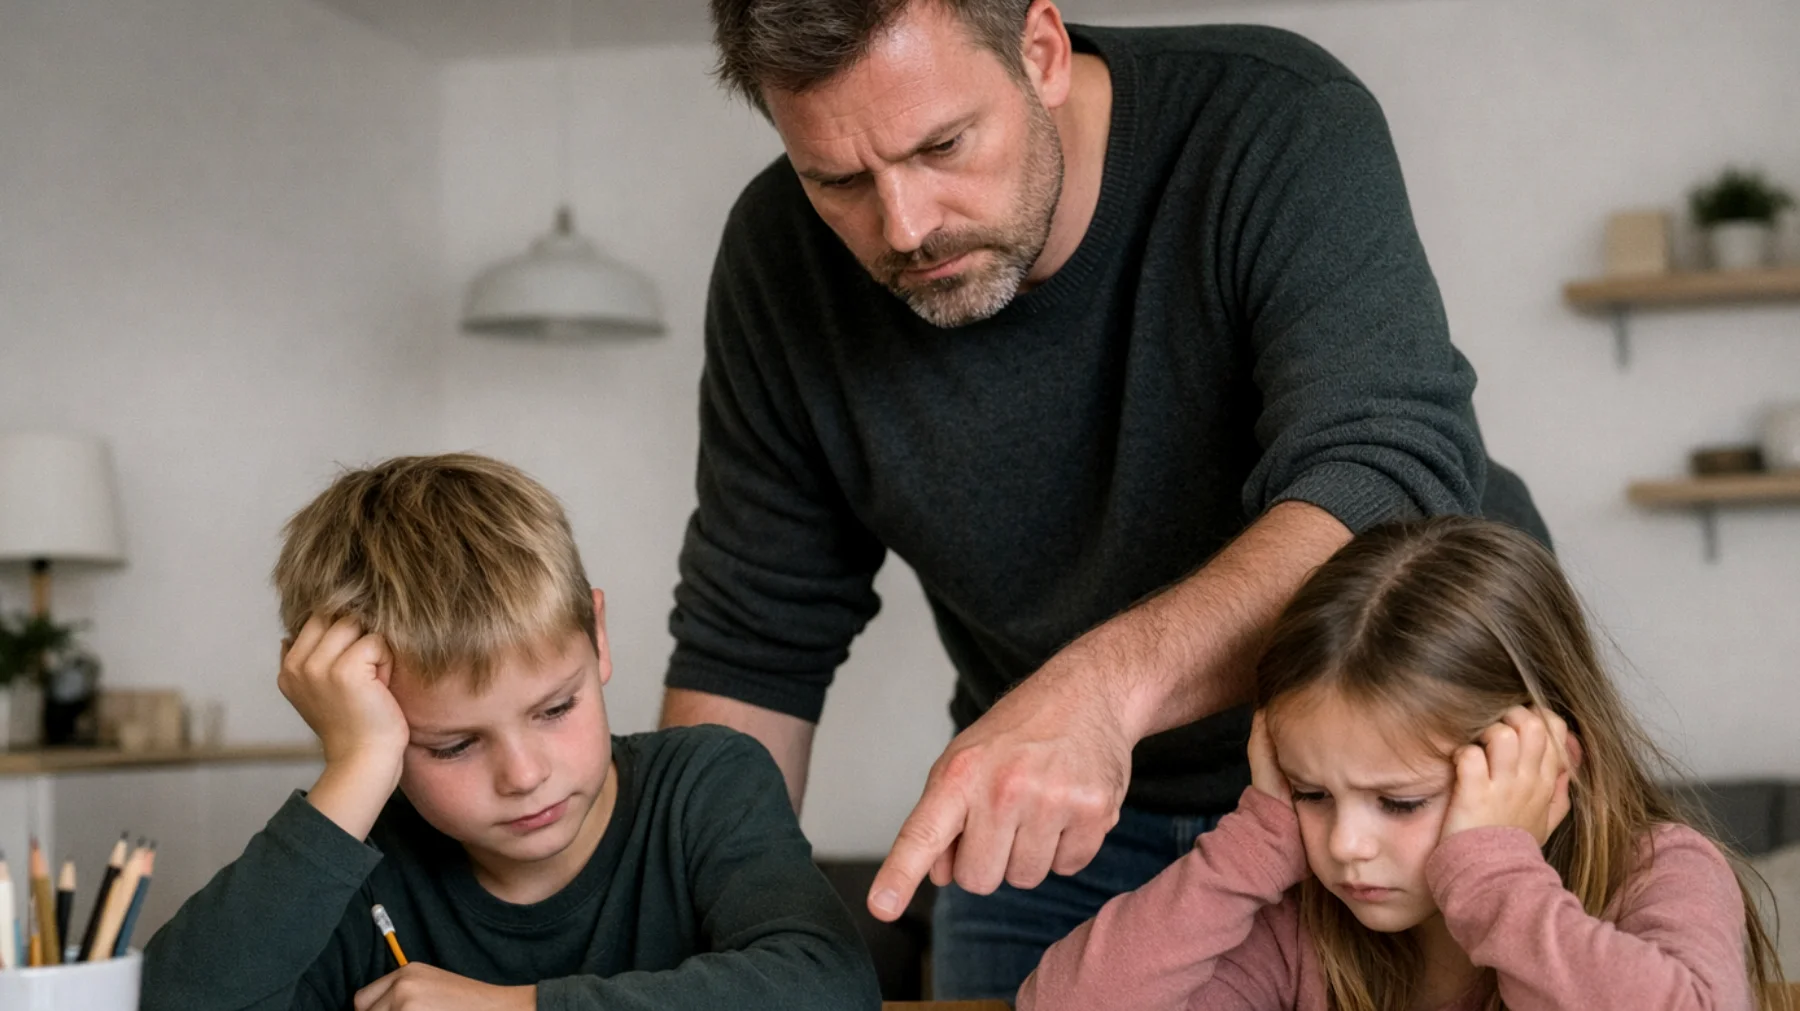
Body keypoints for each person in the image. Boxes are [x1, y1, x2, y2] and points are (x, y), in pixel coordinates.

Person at [666, 0, 1549, 996]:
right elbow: (751, 646)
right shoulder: (779, 261)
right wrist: (685, 951)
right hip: (1059, 839)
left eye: (943, 146)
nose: (905, 225)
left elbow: (1385, 483)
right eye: (839, 181)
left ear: (1041, 51)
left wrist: (1100, 694)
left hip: (1387, 790)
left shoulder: (1276, 119)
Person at [141, 454, 879, 1011]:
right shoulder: (355, 866)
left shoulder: (706, 784)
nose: (525, 775)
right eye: (453, 745)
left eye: (555, 708)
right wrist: (356, 767)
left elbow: (832, 985)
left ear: (597, 636)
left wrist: (515, 1007)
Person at [1017, 516, 1781, 1011]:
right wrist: (1256, 840)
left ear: (1543, 762)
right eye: (1311, 791)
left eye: (1401, 801)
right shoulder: (1303, 925)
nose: (1346, 844)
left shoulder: (1658, 873)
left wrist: (1494, 874)